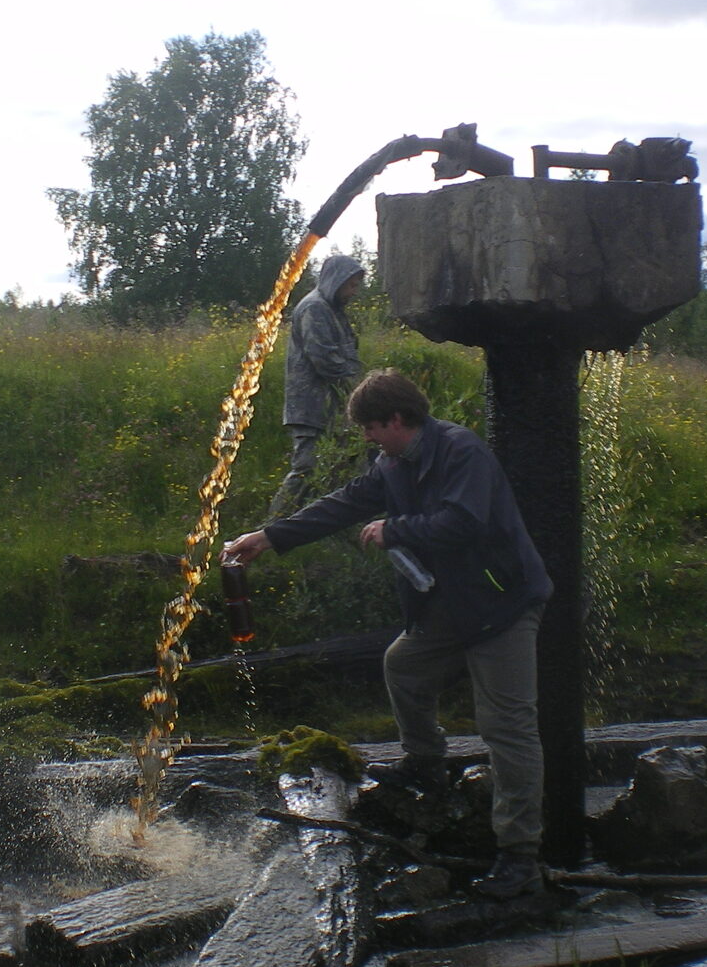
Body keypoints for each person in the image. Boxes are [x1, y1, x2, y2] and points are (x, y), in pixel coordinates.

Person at [226, 368, 553, 900]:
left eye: (372, 428)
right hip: (451, 603)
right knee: (403, 664)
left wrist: (393, 529)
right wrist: (270, 536)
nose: (368, 439)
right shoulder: (392, 463)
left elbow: (463, 522)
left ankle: (521, 858)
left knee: (507, 728)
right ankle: (427, 763)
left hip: (502, 605)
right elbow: (345, 504)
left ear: (399, 419)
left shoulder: (460, 451)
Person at [268, 253, 365, 517]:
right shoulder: (315, 308)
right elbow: (325, 360)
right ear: (337, 280)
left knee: (339, 468)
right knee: (305, 470)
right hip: (312, 407)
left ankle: (320, 528)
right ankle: (267, 531)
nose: (354, 291)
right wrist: (363, 393)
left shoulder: (332, 310)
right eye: (351, 285)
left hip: (332, 408)